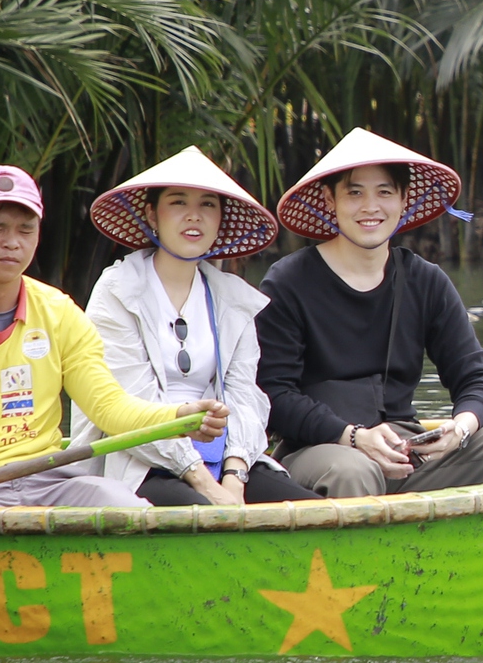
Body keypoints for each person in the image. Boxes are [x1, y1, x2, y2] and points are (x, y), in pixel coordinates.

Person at [0, 165, 227, 510]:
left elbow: (108, 407)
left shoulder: (59, 312)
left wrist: (178, 415)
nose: (12, 242)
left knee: (128, 508)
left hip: (47, 479)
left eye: (25, 229)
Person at [257, 128, 483, 497]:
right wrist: (354, 437)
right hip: (321, 449)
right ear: (329, 200)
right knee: (354, 472)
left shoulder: (425, 280)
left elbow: (476, 378)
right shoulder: (289, 281)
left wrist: (460, 429)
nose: (370, 206)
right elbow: (272, 394)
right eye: (355, 192)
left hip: (407, 450)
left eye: (384, 192)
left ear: (404, 200)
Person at [72, 146, 313, 506]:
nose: (194, 217)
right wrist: (204, 484)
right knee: (205, 514)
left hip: (223, 457)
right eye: (178, 203)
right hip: (139, 459)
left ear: (220, 220)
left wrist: (233, 476)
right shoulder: (117, 293)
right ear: (152, 214)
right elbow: (130, 403)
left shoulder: (234, 299)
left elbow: (246, 398)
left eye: (208, 206)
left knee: (308, 510)